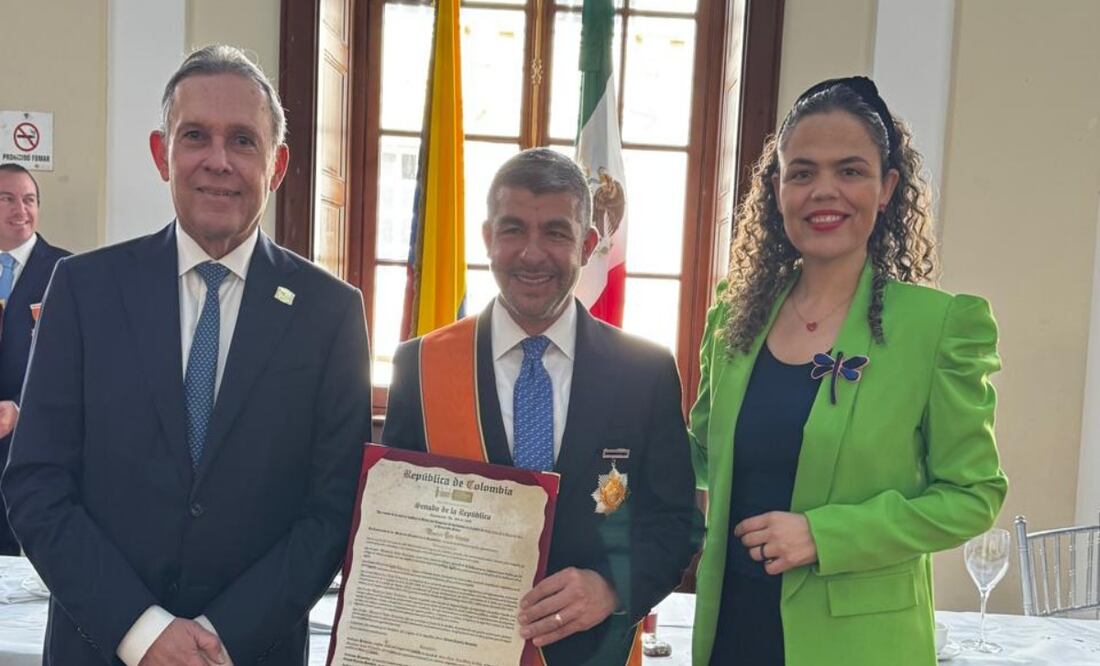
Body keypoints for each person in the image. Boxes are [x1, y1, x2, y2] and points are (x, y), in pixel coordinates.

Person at [1, 45, 371, 665]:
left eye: (244, 141)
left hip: (249, 652)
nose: (217, 161)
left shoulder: (329, 313)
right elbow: (37, 484)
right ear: (161, 154)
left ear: (277, 165)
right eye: (195, 135)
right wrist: (143, 632)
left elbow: (332, 510)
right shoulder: (82, 290)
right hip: (102, 645)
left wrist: (220, 638)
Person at [689, 76, 1008, 666]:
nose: (824, 191)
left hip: (859, 646)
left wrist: (825, 535)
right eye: (802, 172)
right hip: (733, 631)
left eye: (851, 171)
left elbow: (972, 496)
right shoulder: (736, 316)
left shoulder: (940, 327)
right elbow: (698, 456)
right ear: (777, 189)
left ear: (887, 188)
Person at [382, 148, 698, 665]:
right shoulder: (421, 367)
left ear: (588, 244)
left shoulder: (644, 372)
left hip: (594, 654)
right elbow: (397, 526)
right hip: (453, 651)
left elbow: (675, 522)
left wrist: (612, 588)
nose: (532, 254)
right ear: (487, 237)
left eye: (555, 232)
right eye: (512, 230)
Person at [0, 163, 70, 555]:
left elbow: (82, 370)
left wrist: (21, 410)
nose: (19, 210)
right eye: (7, 199)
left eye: (28, 200)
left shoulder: (68, 273)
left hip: (32, 451)